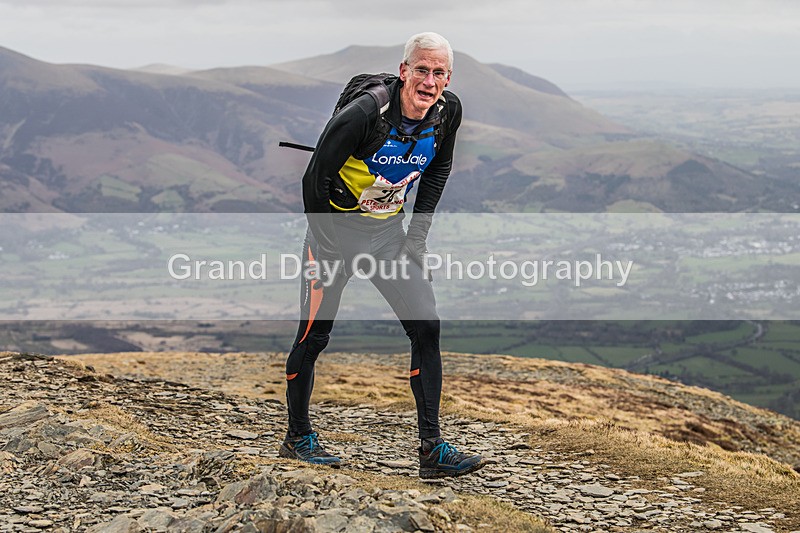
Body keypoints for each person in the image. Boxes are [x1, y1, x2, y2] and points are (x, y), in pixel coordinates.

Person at [279, 32, 484, 479]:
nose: (429, 81)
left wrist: (418, 235)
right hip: (334, 237)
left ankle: (431, 449)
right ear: (404, 71)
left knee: (426, 327)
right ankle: (297, 439)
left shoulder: (448, 112)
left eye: (439, 73)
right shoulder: (365, 113)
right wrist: (325, 236)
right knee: (313, 338)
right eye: (422, 70)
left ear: (448, 78)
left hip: (388, 237)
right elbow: (315, 176)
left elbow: (439, 168)